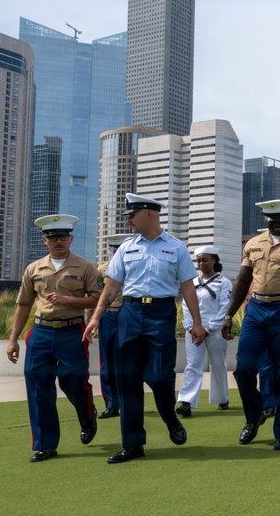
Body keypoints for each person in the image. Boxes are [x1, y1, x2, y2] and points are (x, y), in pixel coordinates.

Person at [84, 193, 206, 464]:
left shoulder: (176, 248)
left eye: (132, 215)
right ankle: (133, 444)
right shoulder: (127, 248)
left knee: (161, 376)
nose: (128, 220)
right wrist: (95, 318)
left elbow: (187, 287)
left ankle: (169, 417)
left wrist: (197, 323)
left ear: (148, 214)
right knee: (127, 381)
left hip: (160, 313)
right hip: (129, 313)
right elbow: (112, 286)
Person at [222, 199, 280, 452]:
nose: (276, 225)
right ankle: (254, 416)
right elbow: (242, 282)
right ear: (265, 220)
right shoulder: (253, 244)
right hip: (255, 309)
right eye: (271, 221)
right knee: (244, 368)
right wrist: (229, 315)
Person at [6, 214, 101, 462]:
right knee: (38, 388)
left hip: (72, 332)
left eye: (62, 237)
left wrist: (69, 300)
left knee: (73, 381)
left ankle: (87, 416)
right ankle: (45, 445)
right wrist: (13, 339)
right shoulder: (34, 269)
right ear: (44, 240)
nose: (57, 241)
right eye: (52, 237)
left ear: (71, 239)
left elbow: (97, 299)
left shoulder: (86, 267)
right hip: (41, 331)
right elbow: (24, 304)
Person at [176, 246, 233, 417]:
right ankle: (186, 402)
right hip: (193, 330)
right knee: (193, 364)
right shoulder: (192, 283)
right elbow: (186, 306)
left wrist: (207, 329)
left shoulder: (224, 283)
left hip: (215, 330)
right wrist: (191, 327)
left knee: (217, 364)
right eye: (199, 260)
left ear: (214, 260)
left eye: (205, 259)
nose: (201, 263)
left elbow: (224, 308)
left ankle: (222, 398)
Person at [95, 234, 127, 420]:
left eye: (119, 250)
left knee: (129, 361)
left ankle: (129, 400)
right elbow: (96, 297)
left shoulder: (134, 267)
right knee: (107, 363)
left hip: (128, 315)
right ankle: (111, 404)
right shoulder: (102, 270)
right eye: (114, 250)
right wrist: (92, 320)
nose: (116, 253)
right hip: (108, 316)